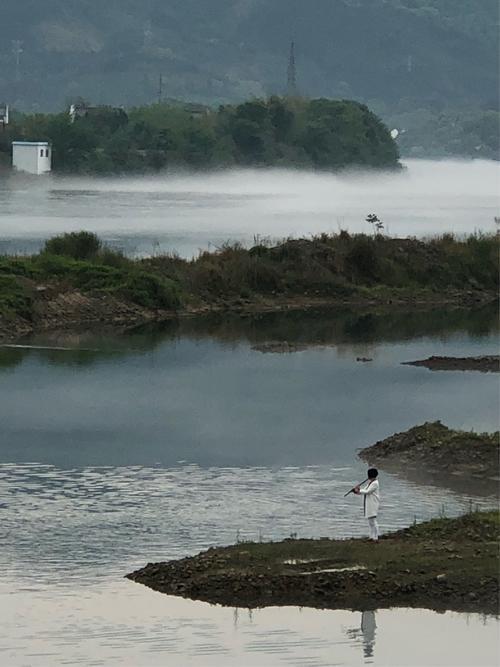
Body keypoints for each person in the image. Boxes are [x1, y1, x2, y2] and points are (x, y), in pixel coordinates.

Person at [354, 468, 380, 541]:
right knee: (370, 521)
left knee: (373, 521)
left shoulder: (375, 483)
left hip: (373, 503)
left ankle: (376, 537)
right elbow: (364, 490)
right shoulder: (370, 483)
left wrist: (358, 490)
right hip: (369, 503)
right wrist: (356, 491)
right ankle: (371, 536)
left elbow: (367, 491)